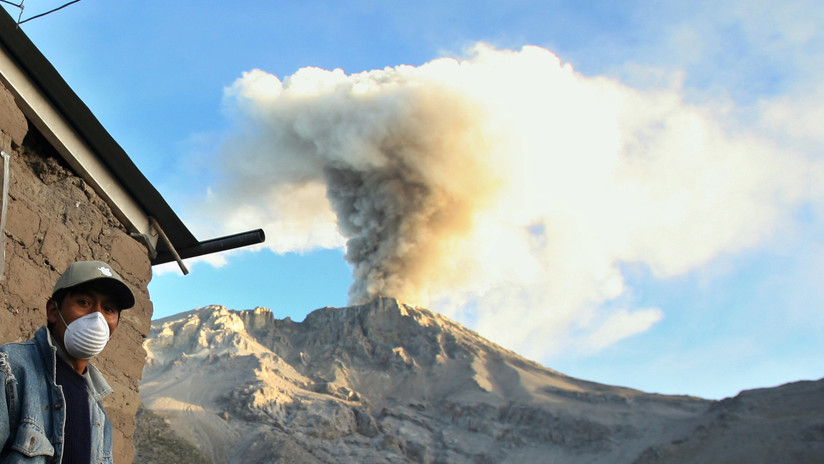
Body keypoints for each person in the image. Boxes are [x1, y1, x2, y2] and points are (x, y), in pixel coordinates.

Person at [0, 260, 135, 463]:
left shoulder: (99, 416)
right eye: (84, 302)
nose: (97, 318)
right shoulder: (11, 370)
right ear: (53, 311)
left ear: (113, 329)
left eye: (108, 309)